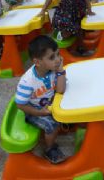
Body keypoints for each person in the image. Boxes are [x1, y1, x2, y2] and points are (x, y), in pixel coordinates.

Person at [15, 35, 67, 164]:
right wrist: (40, 112)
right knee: (53, 124)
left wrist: (61, 71)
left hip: (50, 104)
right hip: (33, 111)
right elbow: (20, 104)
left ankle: (62, 124)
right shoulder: (28, 81)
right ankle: (49, 149)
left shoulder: (53, 69)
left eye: (58, 54)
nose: (58, 60)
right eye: (52, 57)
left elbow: (60, 90)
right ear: (37, 62)